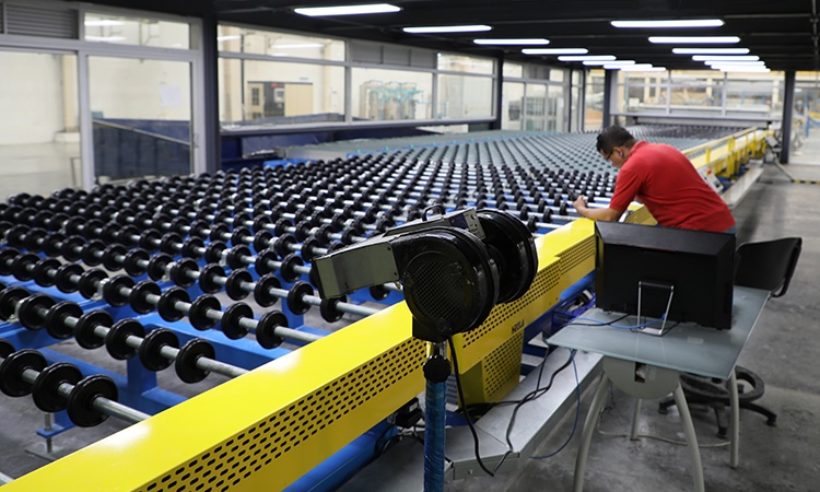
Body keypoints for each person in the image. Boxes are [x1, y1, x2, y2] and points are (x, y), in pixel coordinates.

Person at [573, 125, 736, 233]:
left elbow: (610, 216)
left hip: (702, 234)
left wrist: (582, 209)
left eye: (609, 158)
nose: (612, 164)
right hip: (723, 222)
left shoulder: (632, 167)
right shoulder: (664, 148)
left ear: (619, 152)